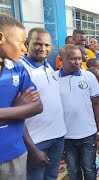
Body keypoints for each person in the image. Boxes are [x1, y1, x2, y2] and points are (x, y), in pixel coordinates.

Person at [0, 14, 43, 180]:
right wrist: (18, 110)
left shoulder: (18, 68)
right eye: (21, 42)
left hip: (14, 153)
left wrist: (8, 112)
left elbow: (37, 106)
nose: (25, 49)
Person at [21, 28, 67, 180]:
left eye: (47, 45)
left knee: (51, 177)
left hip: (57, 136)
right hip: (36, 141)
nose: (43, 49)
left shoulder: (48, 67)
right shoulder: (21, 69)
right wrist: (32, 148)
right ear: (27, 44)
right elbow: (17, 113)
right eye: (38, 44)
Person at [56, 44, 99, 180]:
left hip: (88, 135)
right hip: (66, 137)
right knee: (73, 171)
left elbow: (97, 104)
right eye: (72, 59)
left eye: (79, 58)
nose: (77, 62)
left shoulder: (89, 77)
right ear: (61, 59)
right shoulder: (54, 79)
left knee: (90, 169)